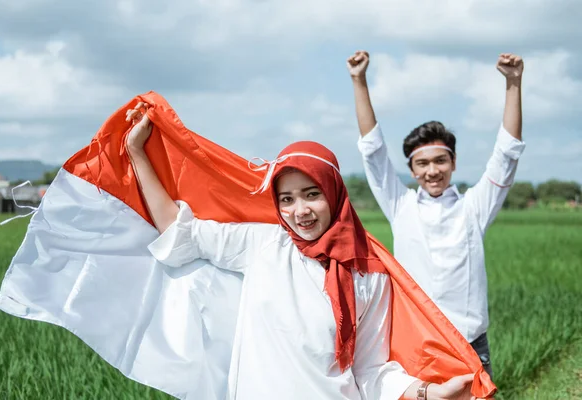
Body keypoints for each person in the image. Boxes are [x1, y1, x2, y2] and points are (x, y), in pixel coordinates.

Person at [124, 101, 485, 400]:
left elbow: (370, 370)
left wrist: (426, 392)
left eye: (312, 194)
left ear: (334, 194)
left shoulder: (369, 274)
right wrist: (136, 153)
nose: (301, 211)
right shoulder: (264, 245)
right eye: (287, 199)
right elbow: (178, 230)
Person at [347, 50, 526, 377]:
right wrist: (359, 80)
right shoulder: (401, 206)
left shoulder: (473, 208)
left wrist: (513, 83)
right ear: (412, 170)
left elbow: (507, 156)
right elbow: (373, 152)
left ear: (453, 163)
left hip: (469, 342)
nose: (433, 171)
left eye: (440, 161)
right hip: (417, 341)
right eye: (422, 163)